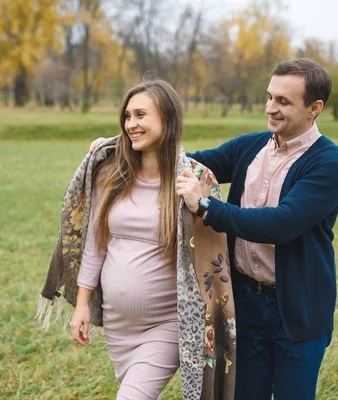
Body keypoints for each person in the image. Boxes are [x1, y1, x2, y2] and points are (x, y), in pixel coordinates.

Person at [37, 79, 236, 400]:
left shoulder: (192, 180)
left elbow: (211, 257)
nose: (131, 124)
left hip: (167, 324)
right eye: (127, 116)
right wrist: (83, 303)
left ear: (167, 120)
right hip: (119, 326)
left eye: (141, 115)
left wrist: (199, 206)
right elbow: (96, 243)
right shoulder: (110, 173)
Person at [175, 58, 338, 400]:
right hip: (245, 306)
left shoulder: (330, 163)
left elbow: (281, 223)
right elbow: (187, 163)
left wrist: (208, 207)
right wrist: (121, 147)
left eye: (283, 101)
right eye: (270, 97)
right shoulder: (250, 147)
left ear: (315, 108)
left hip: (299, 311)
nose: (271, 108)